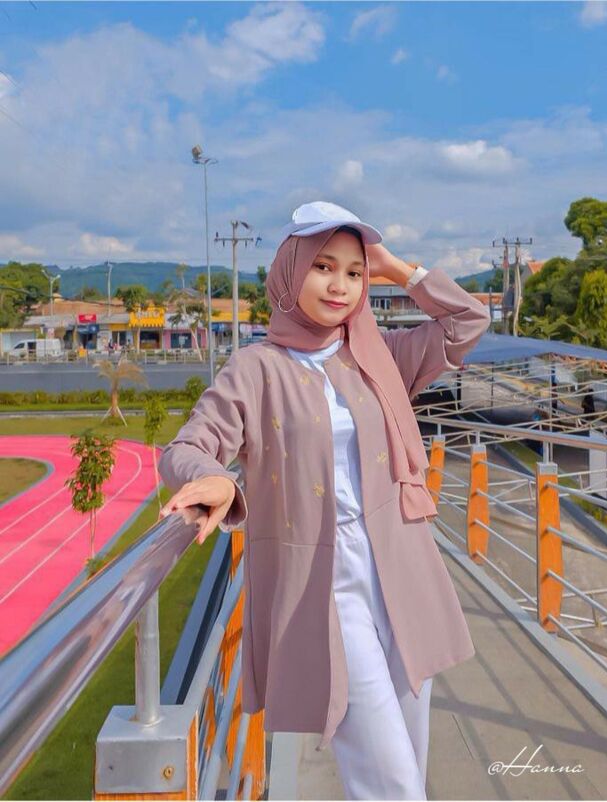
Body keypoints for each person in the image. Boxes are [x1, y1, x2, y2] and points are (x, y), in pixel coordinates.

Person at [157, 201, 491, 800]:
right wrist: (218, 480)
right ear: (290, 270)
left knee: (409, 757)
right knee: (388, 778)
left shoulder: (376, 355)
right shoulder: (256, 369)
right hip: (323, 587)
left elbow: (467, 322)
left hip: (399, 568)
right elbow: (187, 446)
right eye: (323, 267)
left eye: (354, 272)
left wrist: (397, 268)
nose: (341, 286)